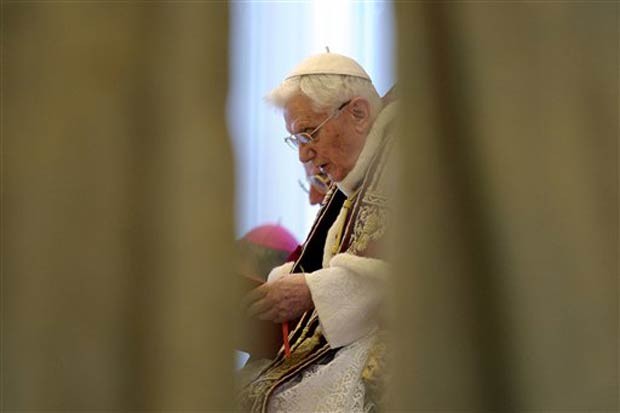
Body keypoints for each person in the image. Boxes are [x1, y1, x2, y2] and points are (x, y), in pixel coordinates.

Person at [239, 52, 397, 412]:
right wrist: (285, 287)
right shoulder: (355, 183)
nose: (304, 156)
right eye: (296, 140)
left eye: (309, 133)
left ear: (358, 113)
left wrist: (313, 291)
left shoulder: (404, 161)